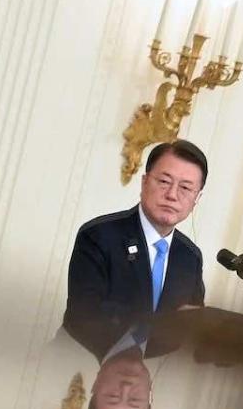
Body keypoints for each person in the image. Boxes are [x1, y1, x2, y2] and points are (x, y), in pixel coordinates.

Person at [62, 139, 208, 358]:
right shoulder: (99, 236)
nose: (172, 195)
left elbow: (190, 330)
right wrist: (166, 322)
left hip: (150, 376)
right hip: (82, 362)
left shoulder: (190, 257)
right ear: (144, 182)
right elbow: (85, 316)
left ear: (197, 198)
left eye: (185, 188)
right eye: (164, 181)